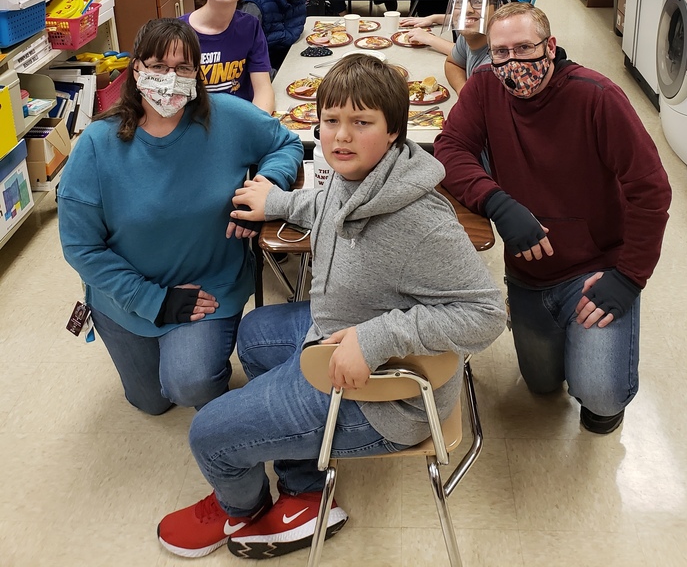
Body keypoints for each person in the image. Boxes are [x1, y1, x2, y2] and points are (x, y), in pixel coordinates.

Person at [158, 54, 506, 560]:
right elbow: (329, 209)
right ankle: (306, 488)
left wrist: (378, 338)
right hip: (337, 332)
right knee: (256, 334)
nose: (341, 136)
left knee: (209, 434)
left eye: (361, 123)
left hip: (386, 399)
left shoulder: (418, 222)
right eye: (331, 121)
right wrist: (279, 203)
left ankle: (242, 510)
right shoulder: (367, 176)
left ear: (393, 132)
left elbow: (487, 314)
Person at [434, 3, 671, 435]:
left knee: (599, 393)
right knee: (541, 386)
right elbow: (450, 149)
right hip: (529, 272)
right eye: (500, 52)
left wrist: (630, 277)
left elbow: (651, 189)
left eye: (524, 48)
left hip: (595, 268)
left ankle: (605, 390)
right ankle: (563, 340)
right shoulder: (485, 86)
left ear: (551, 46)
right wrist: (498, 203)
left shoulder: (596, 96)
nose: (512, 63)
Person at [58, 18, 303, 417]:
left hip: (210, 285)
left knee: (188, 383)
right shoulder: (96, 145)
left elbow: (286, 144)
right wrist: (152, 299)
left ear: (197, 74)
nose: (170, 79)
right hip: (125, 295)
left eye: (183, 68)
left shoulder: (226, 116)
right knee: (152, 403)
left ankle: (199, 361)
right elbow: (80, 246)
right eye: (157, 66)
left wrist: (265, 189)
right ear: (135, 70)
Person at [181, 0, 274, 113]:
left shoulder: (250, 27)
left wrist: (256, 128)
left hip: (241, 125)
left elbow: (263, 90)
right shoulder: (178, 33)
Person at [442, 0, 502, 94]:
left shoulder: (495, 67)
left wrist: (468, 99)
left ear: (498, 8)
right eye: (459, 2)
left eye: (479, 2)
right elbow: (452, 63)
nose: (467, 9)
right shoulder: (469, 35)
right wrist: (464, 92)